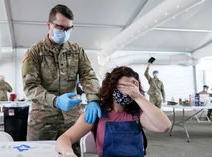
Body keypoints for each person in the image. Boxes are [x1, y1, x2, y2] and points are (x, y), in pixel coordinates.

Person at [22, 4, 101, 156]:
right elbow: (30, 87)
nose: (64, 32)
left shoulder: (77, 51)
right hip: (43, 121)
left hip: (71, 121)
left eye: (68, 28)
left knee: (71, 154)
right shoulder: (34, 53)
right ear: (48, 25)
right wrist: (55, 101)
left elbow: (88, 76)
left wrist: (94, 99)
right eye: (60, 27)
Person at [57, 66, 171, 157]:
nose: (128, 92)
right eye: (124, 86)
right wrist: (69, 153)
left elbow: (164, 126)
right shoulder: (97, 114)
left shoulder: (137, 114)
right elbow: (65, 138)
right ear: (111, 87)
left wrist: (139, 97)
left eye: (132, 88)